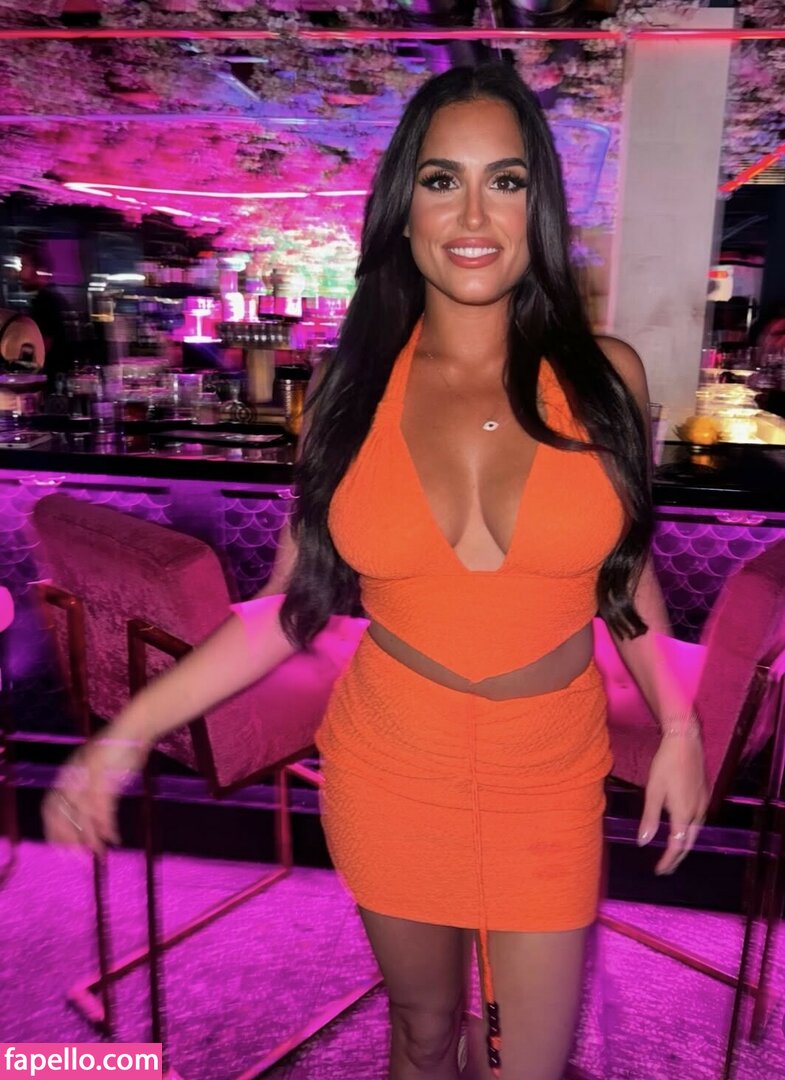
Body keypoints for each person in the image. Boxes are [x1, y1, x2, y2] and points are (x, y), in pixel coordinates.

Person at [43, 64, 708, 1080]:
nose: (473, 215)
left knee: (526, 1064)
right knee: (422, 1032)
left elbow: (622, 578)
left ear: (537, 206)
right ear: (403, 209)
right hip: (390, 763)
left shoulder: (604, 374)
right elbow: (286, 610)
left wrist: (677, 727)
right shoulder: (348, 388)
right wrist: (127, 734)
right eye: (442, 180)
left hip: (547, 770)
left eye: (505, 180)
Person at [18, 249, 74, 377]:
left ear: (39, 270)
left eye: (24, 265)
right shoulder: (52, 298)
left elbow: (43, 344)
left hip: (48, 378)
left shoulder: (45, 301)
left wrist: (22, 370)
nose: (20, 273)